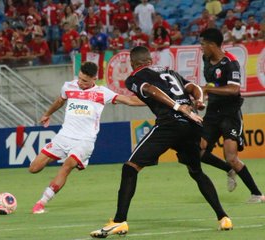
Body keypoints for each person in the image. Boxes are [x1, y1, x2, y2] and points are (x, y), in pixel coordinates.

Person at [90, 46, 233, 238]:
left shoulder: (134, 77)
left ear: (133, 63)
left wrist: (176, 106)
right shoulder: (169, 71)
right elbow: (193, 87)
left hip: (170, 124)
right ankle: (223, 218)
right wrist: (199, 101)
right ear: (150, 59)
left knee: (130, 168)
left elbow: (149, 89)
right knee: (196, 171)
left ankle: (118, 221)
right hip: (192, 124)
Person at [29, 61, 145, 214]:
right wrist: (47, 114)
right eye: (79, 78)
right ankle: (79, 160)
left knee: (66, 166)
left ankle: (41, 202)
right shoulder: (68, 86)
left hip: (85, 140)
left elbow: (129, 100)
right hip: (64, 137)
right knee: (34, 168)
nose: (80, 82)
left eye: (84, 80)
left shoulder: (102, 93)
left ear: (94, 79)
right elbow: (59, 101)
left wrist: (154, 101)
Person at [199, 28, 265, 202]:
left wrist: (208, 89)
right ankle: (228, 170)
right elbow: (211, 84)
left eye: (203, 44)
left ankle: (257, 194)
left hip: (230, 114)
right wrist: (201, 98)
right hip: (212, 113)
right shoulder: (206, 59)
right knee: (198, 151)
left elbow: (234, 89)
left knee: (232, 157)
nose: (201, 48)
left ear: (212, 45)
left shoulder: (231, 63)